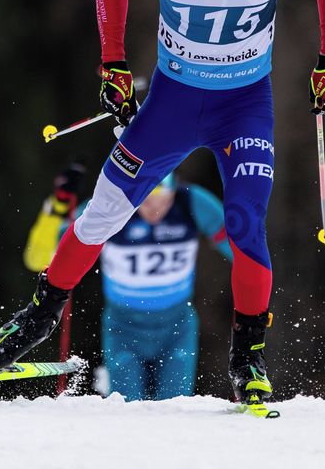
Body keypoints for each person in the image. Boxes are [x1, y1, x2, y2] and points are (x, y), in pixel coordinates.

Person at [0, 0, 325, 409]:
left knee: (246, 223)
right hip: (173, 103)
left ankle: (248, 357)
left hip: (243, 106)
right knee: (103, 211)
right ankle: (38, 317)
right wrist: (112, 64)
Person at [23, 162, 232, 400]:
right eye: (147, 201)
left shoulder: (191, 202)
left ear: (174, 189)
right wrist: (59, 205)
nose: (155, 211)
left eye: (163, 201)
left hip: (176, 327)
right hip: (124, 327)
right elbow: (37, 258)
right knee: (127, 406)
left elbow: (243, 251)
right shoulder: (112, 206)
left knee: (175, 406)